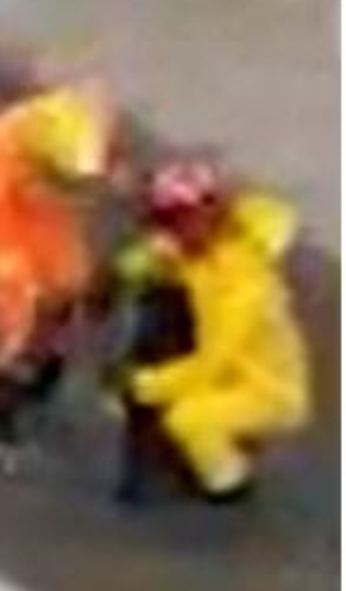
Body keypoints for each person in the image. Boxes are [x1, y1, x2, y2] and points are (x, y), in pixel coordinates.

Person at [107, 160, 311, 504]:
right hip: (238, 368)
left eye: (176, 221)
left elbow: (210, 363)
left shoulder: (243, 288)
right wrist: (118, 274)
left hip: (268, 389)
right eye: (165, 221)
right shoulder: (204, 252)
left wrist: (142, 384)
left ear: (205, 216)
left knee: (188, 419)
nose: (170, 232)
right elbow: (162, 257)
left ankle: (228, 483)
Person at [0, 81, 115, 445]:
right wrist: (20, 276)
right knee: (26, 320)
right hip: (4, 228)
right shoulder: (4, 150)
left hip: (48, 222)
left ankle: (45, 373)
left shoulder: (79, 124)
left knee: (70, 290)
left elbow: (78, 181)